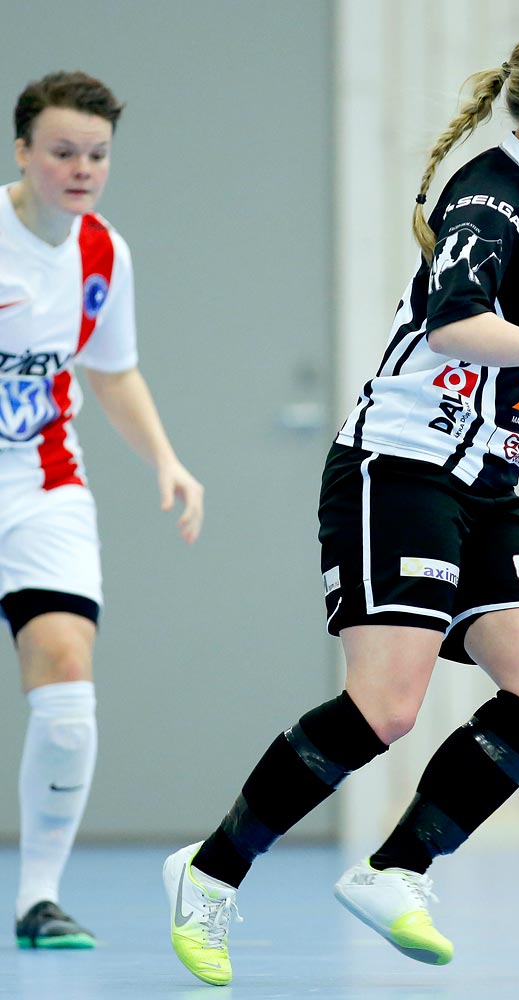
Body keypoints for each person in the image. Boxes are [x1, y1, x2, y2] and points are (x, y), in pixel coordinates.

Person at [162, 15, 519, 986]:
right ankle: (209, 875)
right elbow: (455, 319)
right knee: (384, 707)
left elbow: (512, 326)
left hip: (487, 483)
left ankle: (398, 871)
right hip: (399, 470)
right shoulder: (491, 195)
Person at [2, 71, 205, 949]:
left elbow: (111, 371)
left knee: (68, 689)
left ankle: (36, 900)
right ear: (22, 152)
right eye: (62, 152)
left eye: (97, 155)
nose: (81, 169)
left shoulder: (103, 254)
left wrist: (165, 458)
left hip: (41, 485)